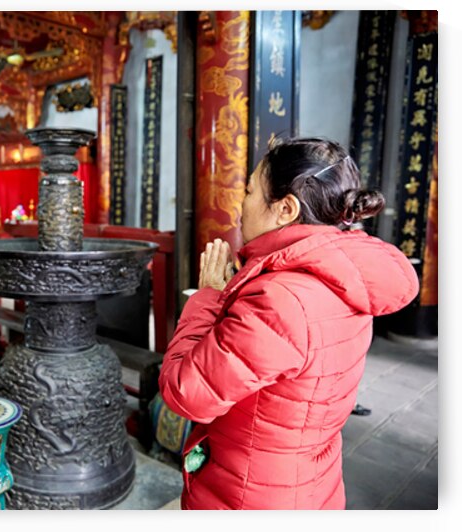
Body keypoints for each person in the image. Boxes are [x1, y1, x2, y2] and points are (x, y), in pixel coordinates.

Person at [159, 137, 419, 510]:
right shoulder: (347, 274)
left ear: (285, 209)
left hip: (251, 492)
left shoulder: (280, 298)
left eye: (249, 191)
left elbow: (185, 394)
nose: (241, 204)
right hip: (310, 479)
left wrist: (208, 300)